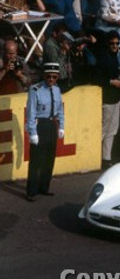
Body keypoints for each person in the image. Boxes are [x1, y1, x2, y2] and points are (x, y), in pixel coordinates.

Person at [25, 63, 65, 202]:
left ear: (57, 77)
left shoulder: (57, 90)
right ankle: (31, 191)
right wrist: (33, 133)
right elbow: (31, 113)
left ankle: (44, 187)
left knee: (49, 159)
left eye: (54, 77)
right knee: (36, 161)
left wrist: (61, 127)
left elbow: (60, 110)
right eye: (48, 76)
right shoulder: (35, 90)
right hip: (39, 125)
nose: (51, 79)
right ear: (44, 76)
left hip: (51, 125)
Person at [95, 31, 120, 169]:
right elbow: (97, 78)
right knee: (103, 130)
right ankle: (96, 158)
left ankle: (106, 158)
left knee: (113, 130)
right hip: (107, 99)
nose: (115, 46)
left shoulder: (115, 56)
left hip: (116, 97)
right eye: (112, 43)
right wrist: (112, 82)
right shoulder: (103, 58)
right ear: (107, 44)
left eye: (117, 43)